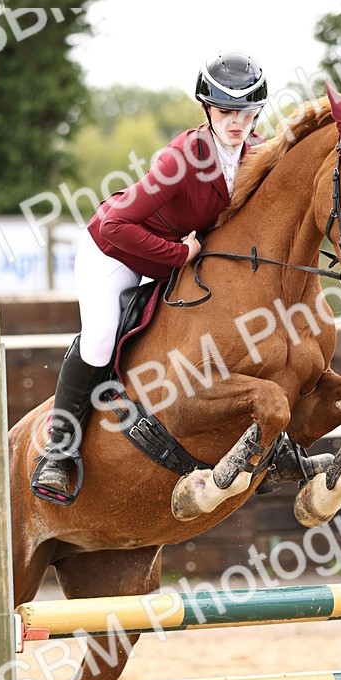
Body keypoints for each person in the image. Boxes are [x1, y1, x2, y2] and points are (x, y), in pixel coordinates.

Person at [31, 50, 268, 505]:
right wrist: (180, 254)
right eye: (225, 112)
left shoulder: (257, 152)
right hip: (115, 253)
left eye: (246, 112)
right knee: (100, 339)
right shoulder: (181, 158)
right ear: (207, 108)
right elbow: (115, 225)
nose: (236, 123)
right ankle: (58, 452)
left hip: (171, 262)